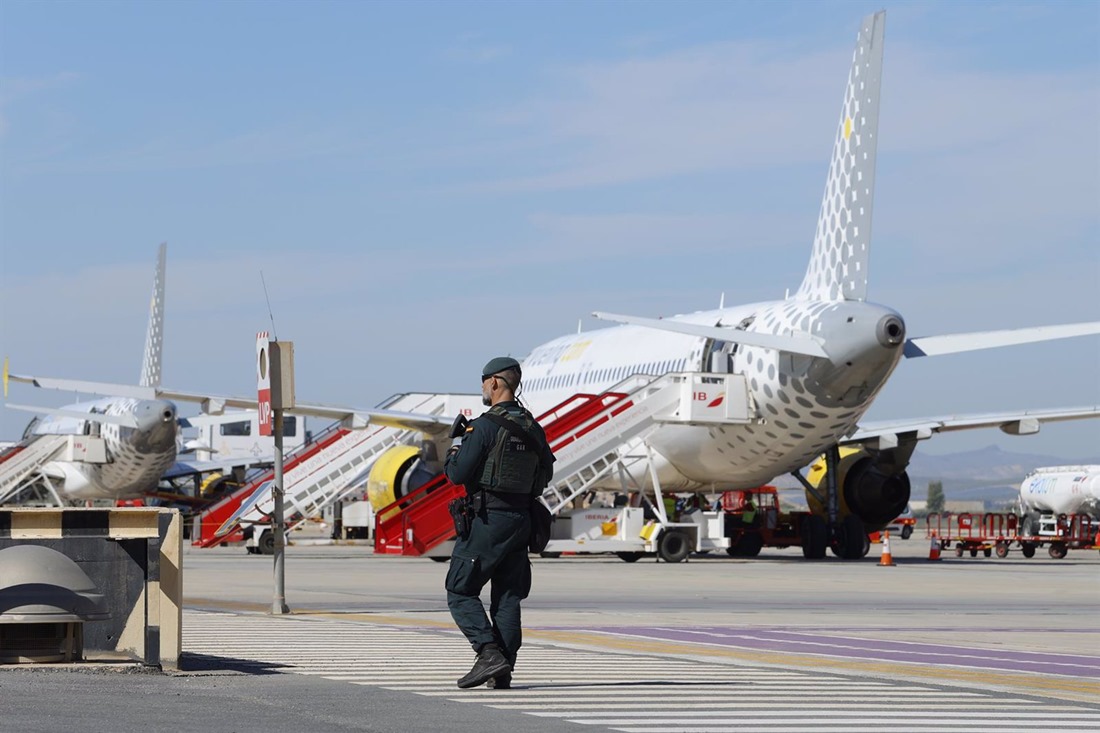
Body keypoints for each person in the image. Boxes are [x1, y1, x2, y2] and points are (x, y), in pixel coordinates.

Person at [444, 356, 555, 690]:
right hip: (522, 518)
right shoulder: (534, 428)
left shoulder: (484, 426)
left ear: (494, 383)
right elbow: (544, 476)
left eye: (483, 382)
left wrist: (454, 449)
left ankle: (488, 652)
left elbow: (457, 475)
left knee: (460, 590)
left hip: (489, 520)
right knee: (507, 597)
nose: (482, 388)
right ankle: (502, 671)